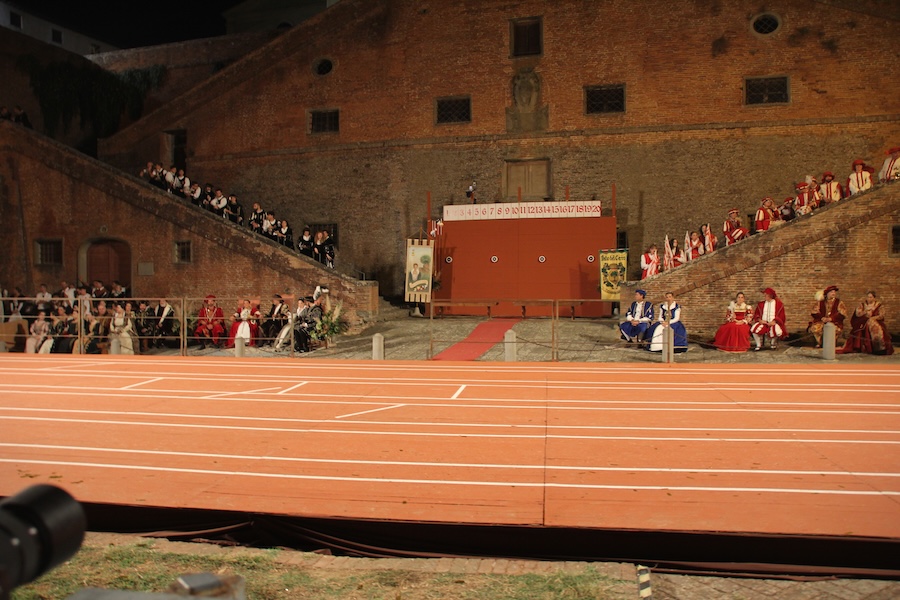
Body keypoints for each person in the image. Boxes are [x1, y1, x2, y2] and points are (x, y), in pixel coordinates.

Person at [838, 291, 894, 355]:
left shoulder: (879, 305)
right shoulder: (862, 305)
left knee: (878, 328)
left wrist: (873, 318)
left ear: (874, 298)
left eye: (871, 297)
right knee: (864, 326)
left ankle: (880, 348)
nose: (869, 299)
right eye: (868, 297)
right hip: (864, 321)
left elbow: (881, 315)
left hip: (875, 320)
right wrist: (865, 312)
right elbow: (857, 314)